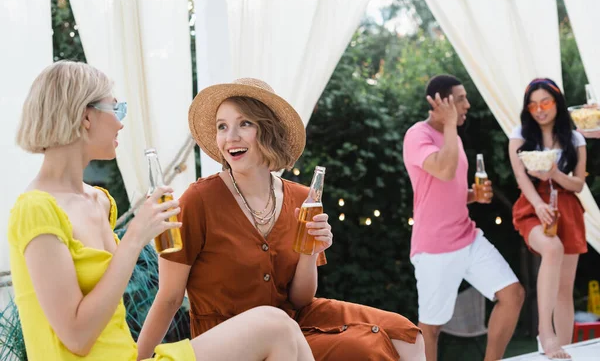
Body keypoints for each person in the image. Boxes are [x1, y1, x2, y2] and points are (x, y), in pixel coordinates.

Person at [7, 61, 315, 361]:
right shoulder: (36, 210)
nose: (120, 122)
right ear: (86, 117)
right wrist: (134, 239)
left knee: (280, 327)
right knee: (274, 327)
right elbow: (76, 338)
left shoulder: (99, 201)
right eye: (116, 109)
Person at [136, 78, 426, 360]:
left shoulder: (302, 199)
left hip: (297, 322)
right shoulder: (198, 201)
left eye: (244, 123)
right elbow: (170, 298)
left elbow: (300, 299)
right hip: (233, 343)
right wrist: (138, 357)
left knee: (407, 337)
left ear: (268, 131)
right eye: (222, 127)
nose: (230, 137)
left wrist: (309, 254)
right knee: (364, 350)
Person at [402, 74, 525, 361]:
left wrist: (472, 195)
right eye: (460, 99)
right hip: (434, 247)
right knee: (431, 328)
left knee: (513, 294)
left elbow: (444, 186)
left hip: (467, 237)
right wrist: (448, 123)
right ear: (440, 103)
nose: (467, 105)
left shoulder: (451, 136)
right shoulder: (417, 135)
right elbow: (444, 170)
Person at [509, 78, 587, 360]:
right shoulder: (520, 133)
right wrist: (539, 205)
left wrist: (554, 174)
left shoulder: (574, 138)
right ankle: (545, 331)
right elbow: (521, 176)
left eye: (545, 103)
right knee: (551, 248)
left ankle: (565, 349)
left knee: (565, 289)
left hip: (566, 204)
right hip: (533, 204)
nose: (539, 110)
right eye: (533, 105)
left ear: (557, 102)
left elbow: (578, 184)